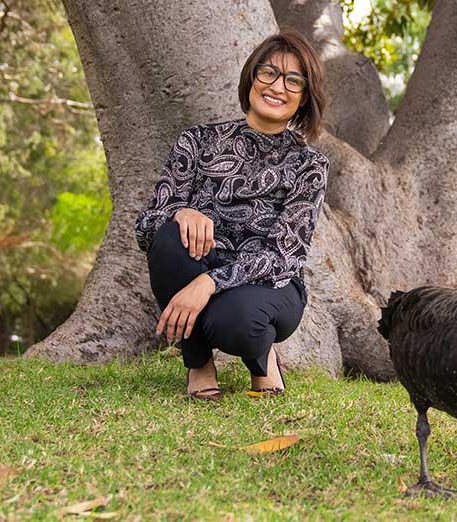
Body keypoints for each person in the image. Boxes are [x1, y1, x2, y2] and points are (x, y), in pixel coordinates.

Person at [134, 31, 328, 400]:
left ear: (305, 96)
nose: (277, 87)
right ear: (252, 77)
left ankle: (262, 358)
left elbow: (282, 256)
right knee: (169, 238)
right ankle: (199, 364)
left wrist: (207, 284)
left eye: (293, 80)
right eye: (268, 72)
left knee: (239, 323)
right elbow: (145, 228)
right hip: (198, 265)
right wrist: (182, 212)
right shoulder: (198, 140)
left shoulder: (310, 165)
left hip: (271, 285)